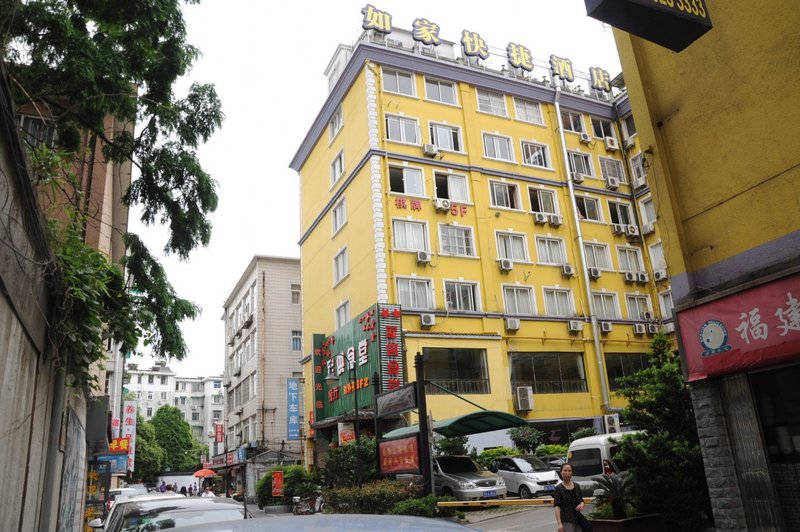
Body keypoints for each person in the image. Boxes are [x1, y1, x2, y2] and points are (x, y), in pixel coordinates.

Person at [554, 463, 586, 532]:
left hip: (578, 519)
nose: (567, 473)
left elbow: (581, 500)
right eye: (565, 470)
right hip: (566, 520)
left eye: (569, 471)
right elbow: (557, 506)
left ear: (572, 473)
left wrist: (581, 504)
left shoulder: (577, 486)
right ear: (561, 472)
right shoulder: (558, 488)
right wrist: (559, 523)